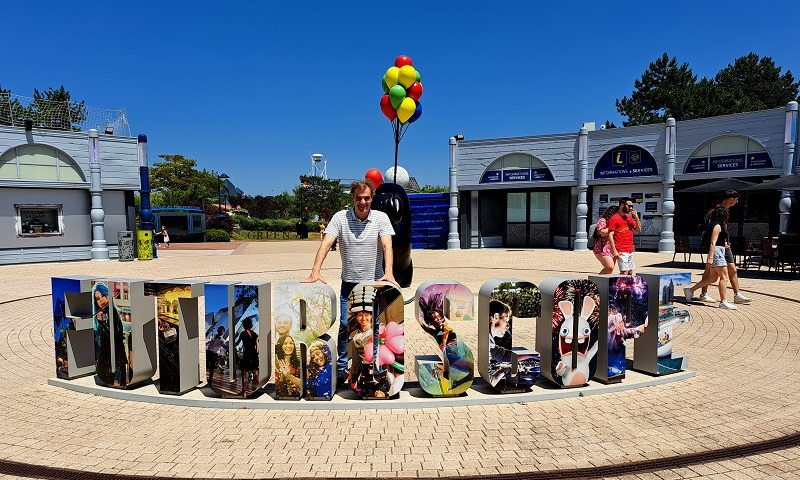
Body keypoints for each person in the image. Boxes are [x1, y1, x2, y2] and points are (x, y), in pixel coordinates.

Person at [302, 180, 397, 386]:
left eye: (367, 198)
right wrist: (315, 271)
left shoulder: (381, 218)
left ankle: (374, 366)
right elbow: (326, 243)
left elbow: (387, 245)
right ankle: (343, 367)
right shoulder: (340, 218)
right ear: (352, 198)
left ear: (372, 198)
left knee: (374, 326)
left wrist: (389, 273)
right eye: (359, 198)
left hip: (374, 284)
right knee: (346, 325)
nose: (363, 202)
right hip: (349, 284)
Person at [692, 190, 751, 305]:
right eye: (736, 199)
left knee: (732, 270)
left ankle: (736, 294)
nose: (737, 202)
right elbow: (714, 229)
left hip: (723, 245)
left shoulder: (725, 210)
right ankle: (704, 294)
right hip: (716, 246)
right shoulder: (716, 211)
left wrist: (726, 240)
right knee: (710, 271)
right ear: (731, 199)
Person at [684, 206, 738, 310]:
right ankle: (723, 302)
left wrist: (724, 245)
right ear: (724, 215)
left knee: (713, 278)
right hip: (717, 252)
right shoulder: (717, 225)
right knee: (724, 277)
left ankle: (690, 291)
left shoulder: (716, 224)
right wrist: (711, 258)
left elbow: (717, 241)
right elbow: (713, 243)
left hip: (718, 251)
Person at [608, 198, 642, 275]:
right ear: (622, 205)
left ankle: (627, 286)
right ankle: (621, 286)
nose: (631, 208)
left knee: (630, 272)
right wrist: (614, 251)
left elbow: (638, 230)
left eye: (632, 206)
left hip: (630, 249)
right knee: (624, 272)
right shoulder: (614, 218)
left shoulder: (629, 217)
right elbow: (610, 235)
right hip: (621, 249)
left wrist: (636, 217)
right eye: (629, 206)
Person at [235, 317, 259, 395]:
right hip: (254, 355)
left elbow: (237, 343)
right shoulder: (255, 334)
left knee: (244, 373)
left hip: (247, 354)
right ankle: (259, 390)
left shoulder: (242, 333)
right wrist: (256, 355)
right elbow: (257, 347)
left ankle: (244, 391)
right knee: (255, 375)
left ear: (244, 325)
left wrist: (232, 342)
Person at [593, 206, 619, 274]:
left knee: (609, 270)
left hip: (613, 248)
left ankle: (602, 283)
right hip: (602, 248)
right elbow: (602, 232)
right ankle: (597, 281)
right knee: (609, 267)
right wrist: (615, 226)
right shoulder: (603, 220)